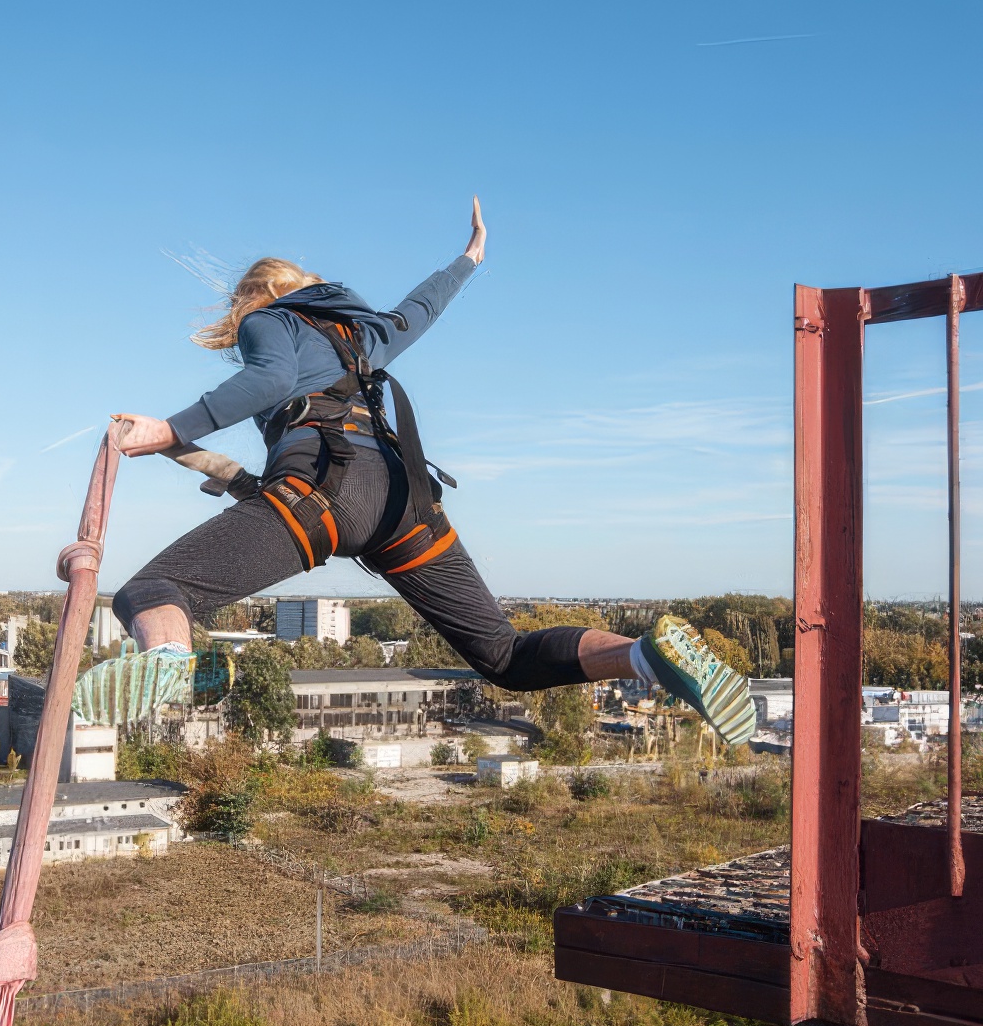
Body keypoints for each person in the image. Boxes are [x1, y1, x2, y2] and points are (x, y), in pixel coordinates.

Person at [110, 199, 756, 745]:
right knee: (505, 656)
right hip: (402, 503)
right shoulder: (359, 334)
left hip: (322, 495)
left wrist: (172, 428)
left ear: (257, 295)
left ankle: (170, 659)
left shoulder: (267, 321)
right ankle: (647, 656)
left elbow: (274, 379)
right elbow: (423, 308)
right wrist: (471, 258)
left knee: (152, 590)